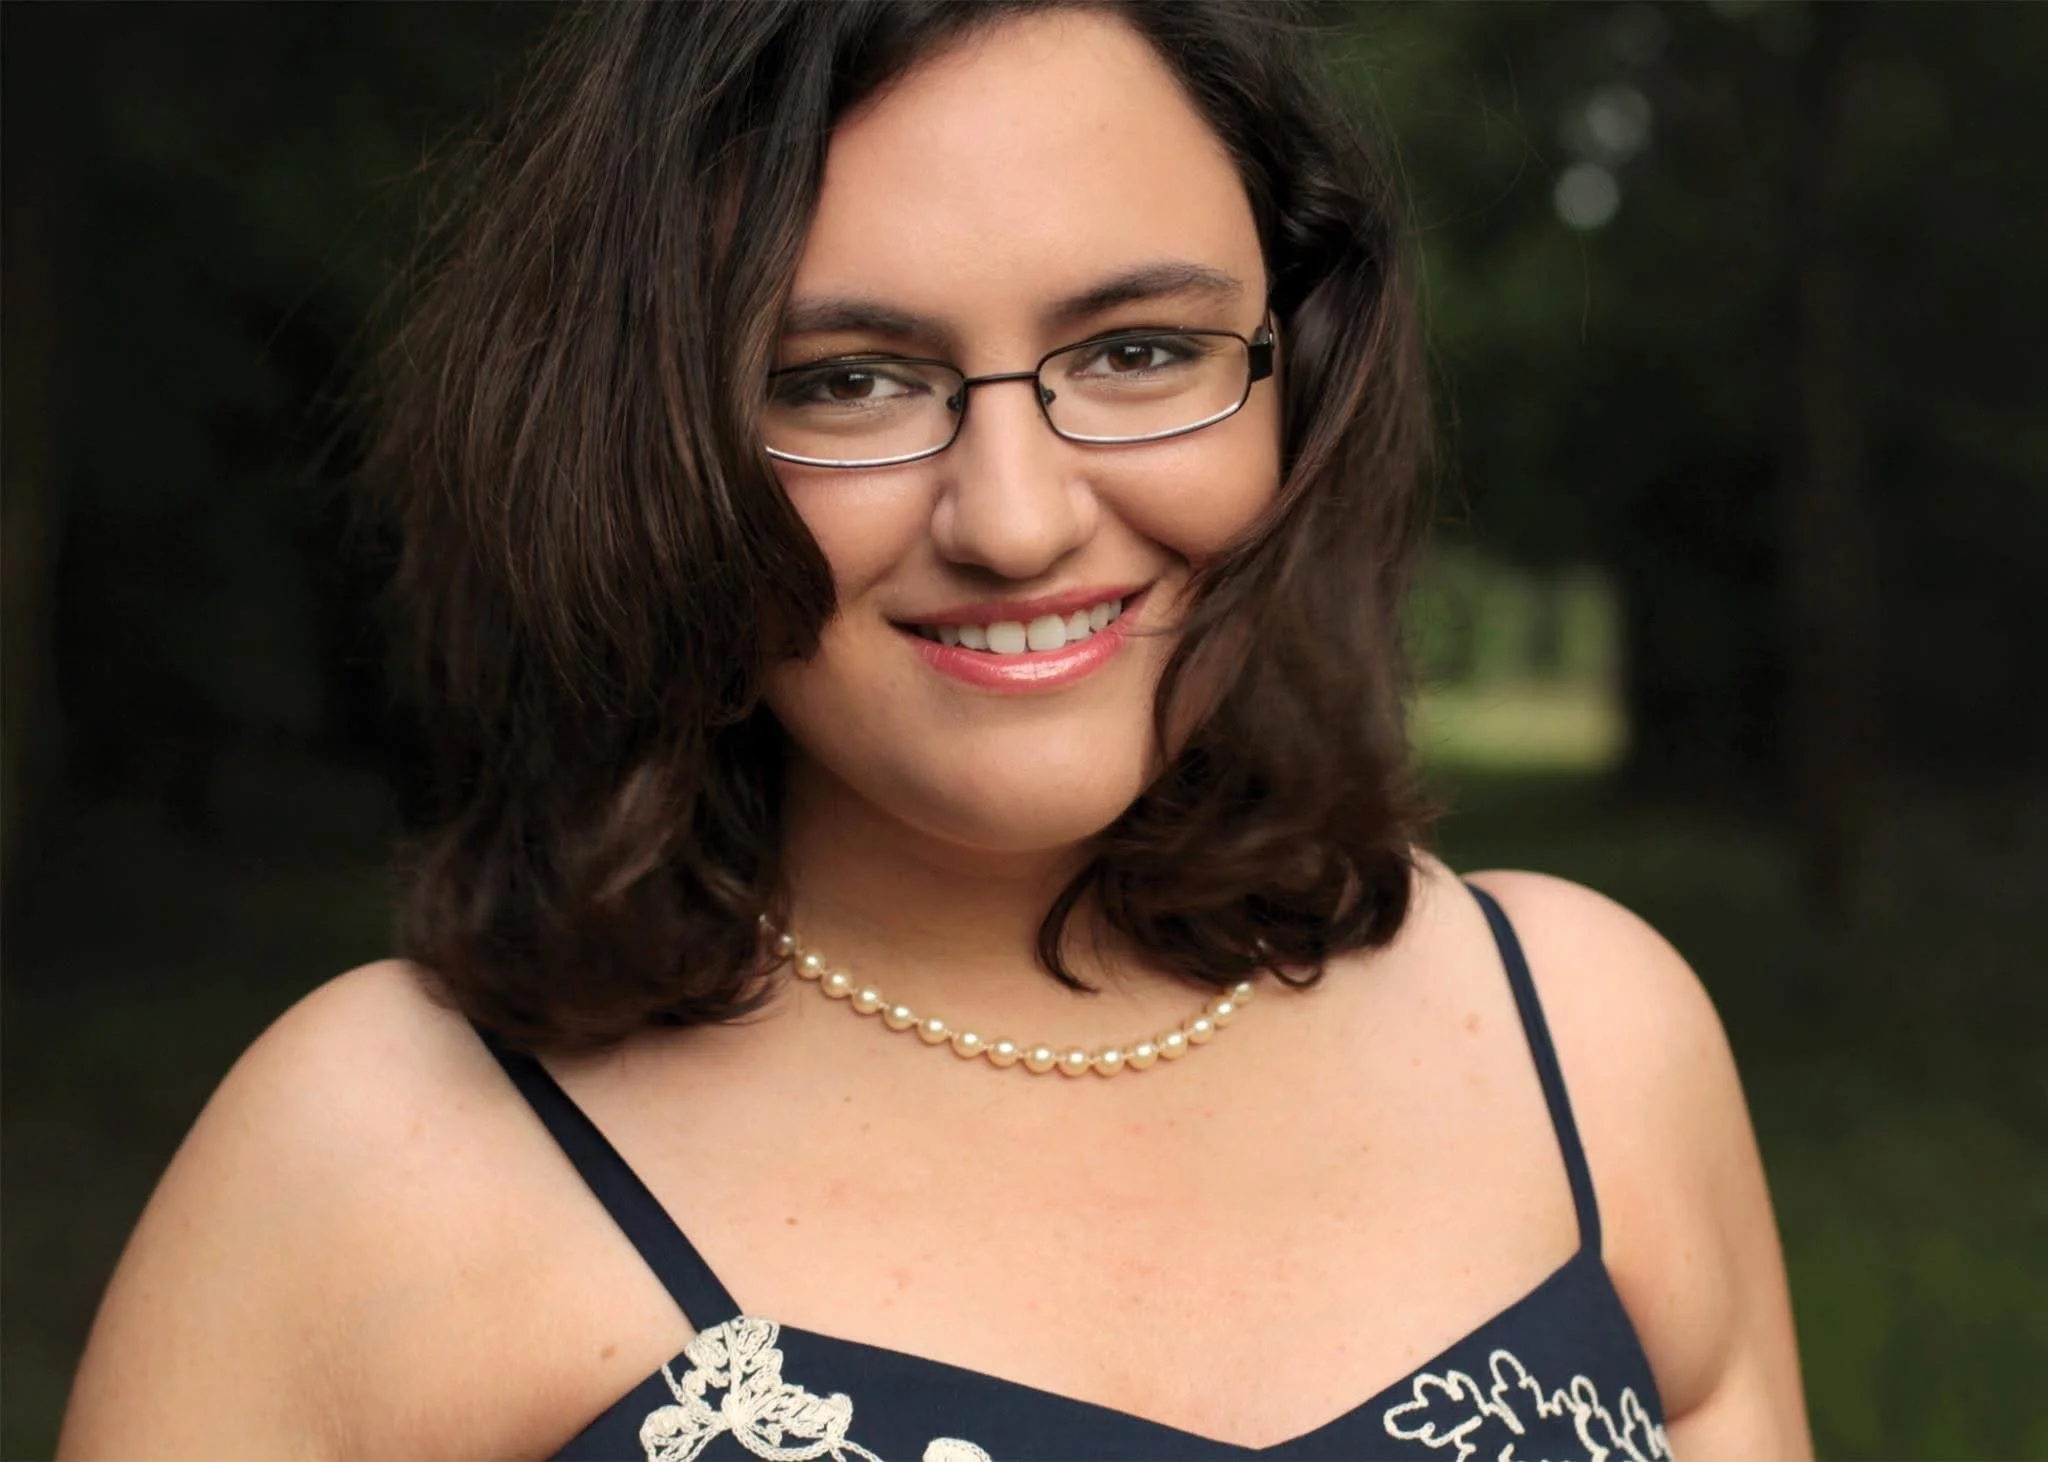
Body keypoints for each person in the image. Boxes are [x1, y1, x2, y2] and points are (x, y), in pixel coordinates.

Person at [61, 3, 1809, 1458]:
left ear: (1299, 369)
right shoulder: (367, 1158)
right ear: (652, 440)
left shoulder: (1590, 1044)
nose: (1019, 519)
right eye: (846, 381)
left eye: (1137, 347)